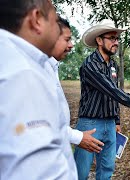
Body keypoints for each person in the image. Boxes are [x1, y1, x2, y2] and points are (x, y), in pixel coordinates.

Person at [0, 0, 77, 179]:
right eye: (55, 20)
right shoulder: (21, 74)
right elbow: (41, 172)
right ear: (36, 20)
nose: (58, 29)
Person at [74, 19, 130, 180]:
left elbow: (115, 95)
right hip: (90, 124)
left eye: (117, 39)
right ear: (99, 40)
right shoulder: (90, 65)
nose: (116, 42)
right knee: (81, 171)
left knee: (107, 169)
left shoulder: (113, 65)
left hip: (110, 124)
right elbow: (113, 91)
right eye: (112, 38)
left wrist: (117, 120)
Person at [50, 16, 104, 153]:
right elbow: (42, 123)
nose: (71, 45)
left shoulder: (52, 67)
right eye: (67, 40)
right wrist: (77, 137)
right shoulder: (90, 64)